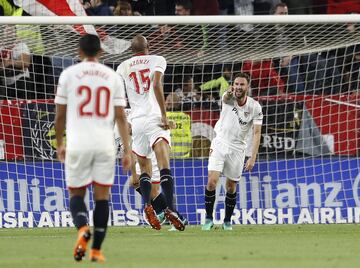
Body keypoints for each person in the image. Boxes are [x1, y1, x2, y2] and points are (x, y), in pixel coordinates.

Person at [54, 34, 131, 262]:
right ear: (101, 52)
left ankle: (82, 229)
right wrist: (127, 150)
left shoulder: (68, 75)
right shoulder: (112, 76)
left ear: (79, 52)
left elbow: (59, 116)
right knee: (102, 198)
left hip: (78, 143)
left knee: (76, 193)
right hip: (104, 144)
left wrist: (60, 144)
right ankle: (96, 251)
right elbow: (120, 117)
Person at [116, 34, 185, 231]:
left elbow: (120, 96)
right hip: (154, 118)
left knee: (144, 169)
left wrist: (126, 120)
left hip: (136, 121)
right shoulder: (157, 60)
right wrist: (164, 115)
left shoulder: (123, 66)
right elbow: (155, 84)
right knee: (164, 166)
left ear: (131, 50)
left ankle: (148, 205)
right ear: (149, 46)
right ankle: (170, 209)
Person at [202, 73, 263, 231]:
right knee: (211, 181)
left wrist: (252, 157)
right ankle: (208, 219)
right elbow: (225, 97)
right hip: (220, 143)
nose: (238, 87)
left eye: (242, 84)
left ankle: (227, 221)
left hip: (238, 149)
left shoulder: (255, 107)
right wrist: (228, 92)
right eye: (236, 84)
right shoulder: (228, 98)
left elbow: (257, 133)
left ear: (247, 87)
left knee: (230, 187)